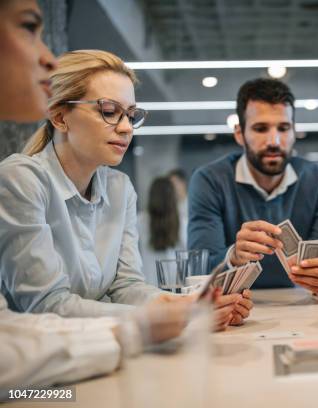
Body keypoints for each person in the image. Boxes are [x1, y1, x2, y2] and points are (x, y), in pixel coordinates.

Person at [0, 0, 205, 397]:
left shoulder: (119, 188)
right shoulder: (20, 180)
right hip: (44, 379)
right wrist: (146, 323)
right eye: (110, 111)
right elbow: (46, 303)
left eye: (131, 114)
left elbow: (126, 284)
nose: (126, 127)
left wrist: (170, 305)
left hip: (92, 357)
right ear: (60, 118)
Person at [188, 78, 318, 299]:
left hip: (304, 306)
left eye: (283, 128)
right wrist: (232, 256)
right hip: (233, 307)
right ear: (239, 134)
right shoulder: (210, 181)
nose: (274, 141)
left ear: (294, 132)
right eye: (261, 128)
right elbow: (199, 270)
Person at [137, 176, 185, 285]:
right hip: (175, 283)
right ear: (172, 197)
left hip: (147, 281)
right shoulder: (182, 221)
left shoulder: (139, 221)